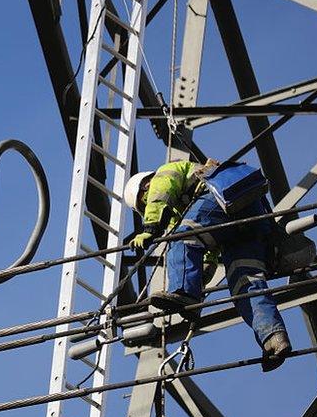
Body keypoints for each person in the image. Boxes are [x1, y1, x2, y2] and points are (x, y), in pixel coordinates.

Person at [123, 159, 292, 371]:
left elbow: (161, 195)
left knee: (181, 237)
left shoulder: (164, 174)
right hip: (252, 215)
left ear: (144, 187)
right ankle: (274, 338)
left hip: (220, 197)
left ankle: (184, 291)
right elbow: (208, 242)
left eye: (143, 203)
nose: (147, 205)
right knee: (245, 282)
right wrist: (203, 271)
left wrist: (150, 227)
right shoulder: (187, 209)